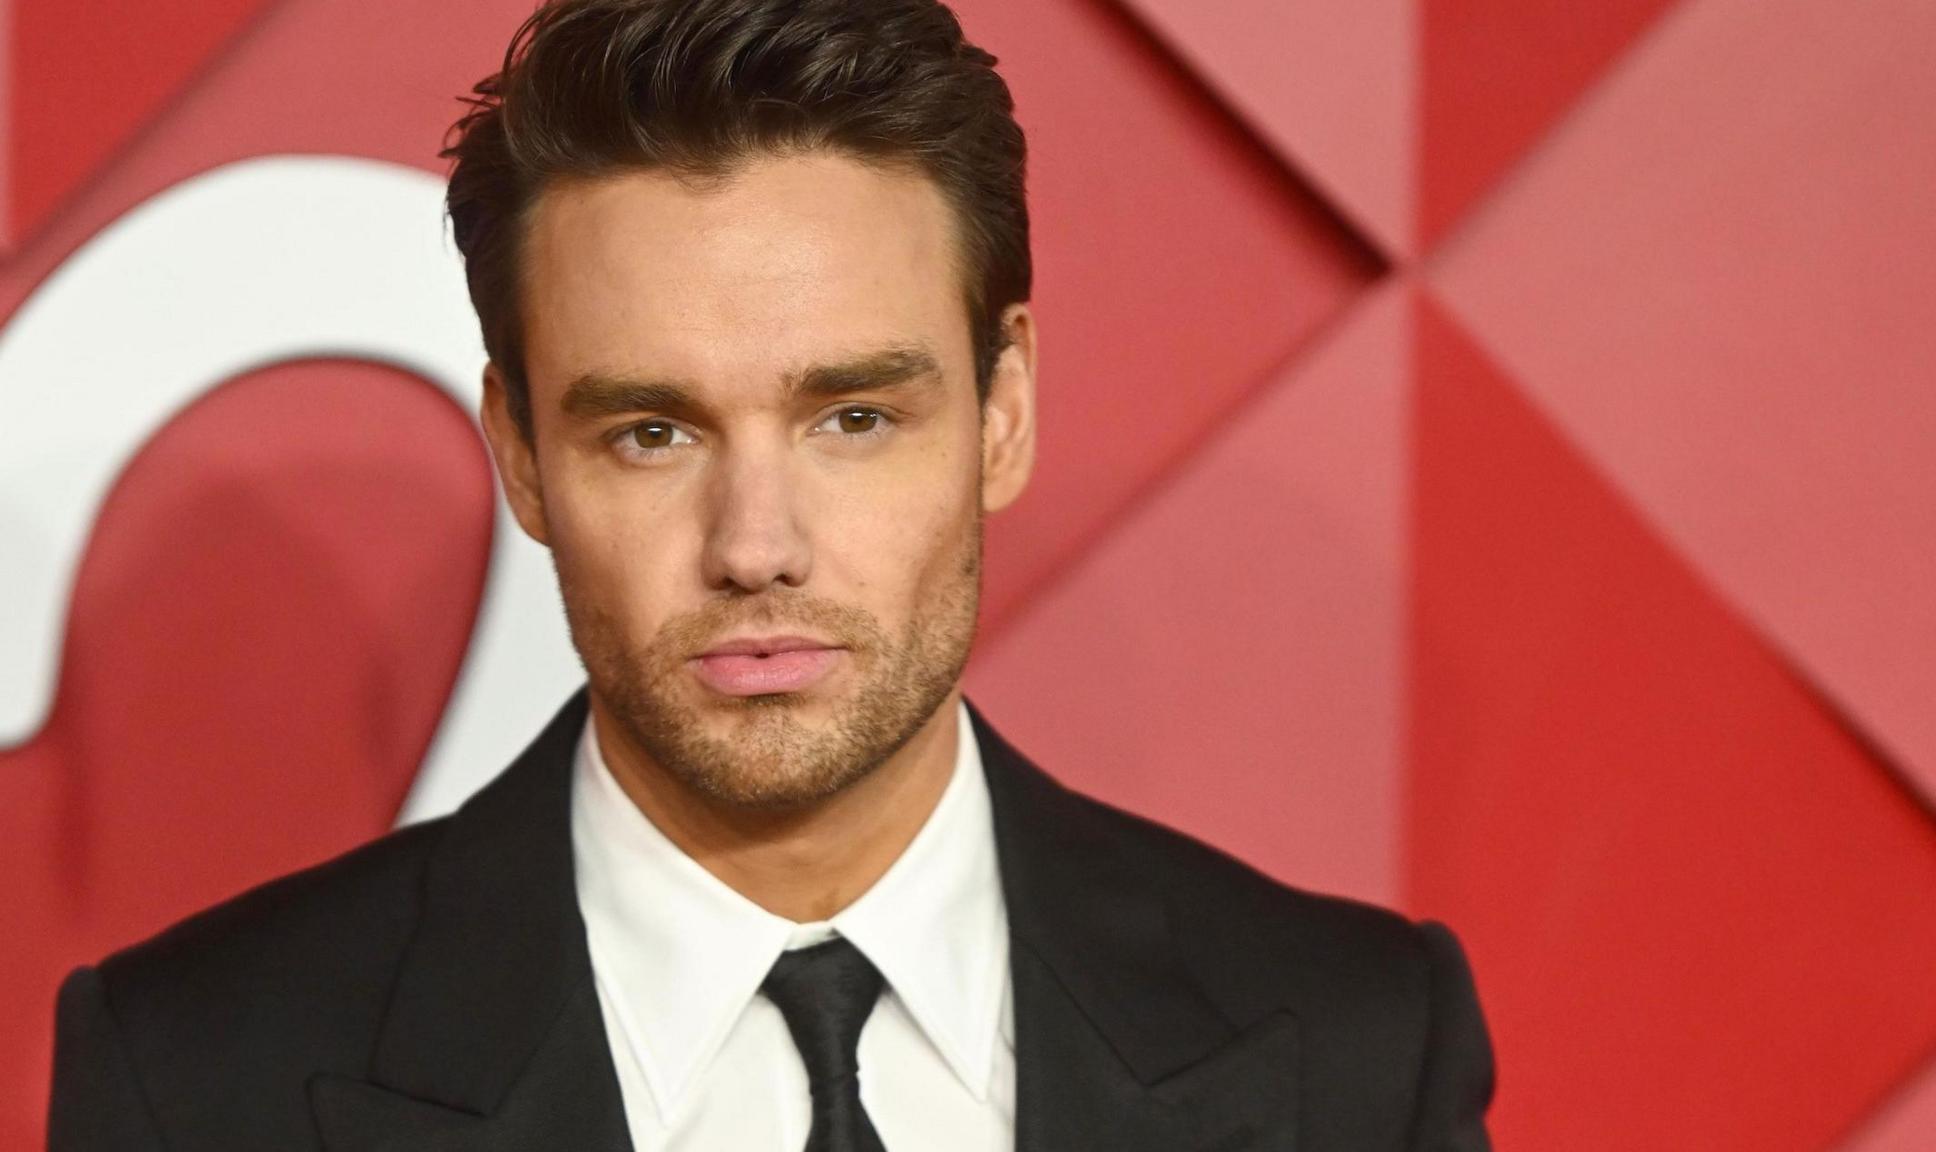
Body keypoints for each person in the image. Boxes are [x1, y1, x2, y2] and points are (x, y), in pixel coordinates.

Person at [46, 1, 1495, 1148]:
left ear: (1003, 411)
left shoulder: (1356, 1046)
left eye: (853, 418)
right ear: (527, 457)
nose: (755, 545)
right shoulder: (198, 1081)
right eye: (651, 432)